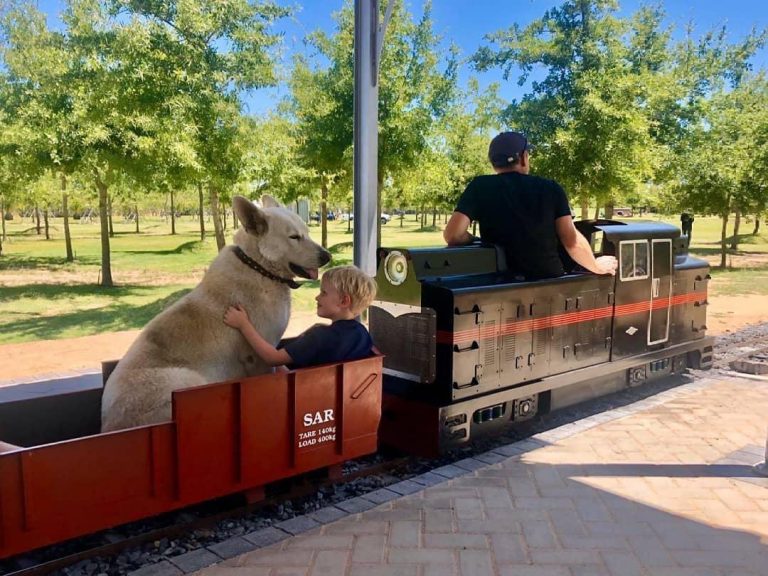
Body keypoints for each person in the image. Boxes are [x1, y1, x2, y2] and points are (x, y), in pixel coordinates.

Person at [443, 131, 617, 279]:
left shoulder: (479, 186)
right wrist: (595, 266)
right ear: (523, 158)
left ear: (494, 162)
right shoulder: (550, 188)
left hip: (499, 282)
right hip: (548, 283)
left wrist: (474, 240)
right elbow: (571, 241)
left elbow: (453, 235)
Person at [224, 265, 377, 369]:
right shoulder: (362, 334)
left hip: (307, 396)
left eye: (324, 293)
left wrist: (243, 324)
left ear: (344, 301)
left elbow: (273, 359)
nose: (317, 298)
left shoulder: (320, 337)